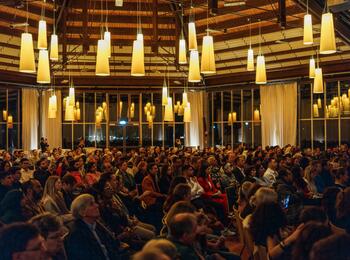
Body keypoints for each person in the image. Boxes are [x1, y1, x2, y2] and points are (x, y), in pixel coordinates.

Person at [65, 194, 122, 260]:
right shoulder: (76, 234)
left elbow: (112, 246)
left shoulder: (96, 225)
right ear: (82, 212)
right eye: (91, 204)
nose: (97, 205)